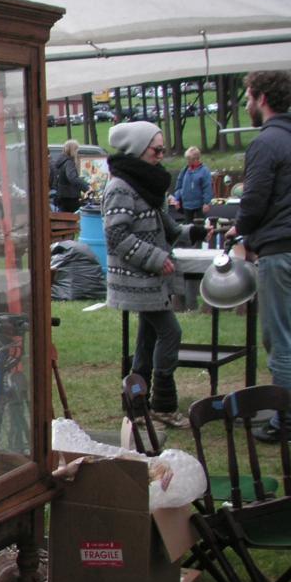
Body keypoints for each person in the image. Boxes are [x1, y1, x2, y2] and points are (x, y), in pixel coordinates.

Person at [103, 120, 209, 428]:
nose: (161, 155)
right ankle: (163, 403)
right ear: (139, 149)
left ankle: (137, 408)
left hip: (150, 281)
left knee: (147, 340)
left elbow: (165, 226)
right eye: (156, 150)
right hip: (137, 281)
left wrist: (194, 232)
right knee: (170, 333)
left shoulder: (144, 183)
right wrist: (156, 258)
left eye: (163, 150)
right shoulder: (120, 187)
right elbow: (116, 236)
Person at [232, 70, 291, 442]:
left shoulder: (267, 143)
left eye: (248, 98)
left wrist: (239, 228)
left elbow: (254, 200)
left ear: (262, 98)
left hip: (280, 251)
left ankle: (285, 420)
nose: (247, 106)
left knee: (280, 338)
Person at [171, 147, 213, 221]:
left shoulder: (204, 171)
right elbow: (179, 185)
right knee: (188, 225)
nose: (188, 161)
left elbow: (207, 188)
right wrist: (177, 199)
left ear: (196, 159)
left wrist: (207, 203)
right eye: (187, 159)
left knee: (200, 225)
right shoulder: (185, 170)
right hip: (186, 206)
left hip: (199, 206)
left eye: (189, 159)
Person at [50, 139, 90, 213]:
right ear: (73, 150)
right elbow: (73, 178)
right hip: (70, 196)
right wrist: (86, 188)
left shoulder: (61, 161)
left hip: (61, 196)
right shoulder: (69, 163)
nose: (77, 152)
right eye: (76, 149)